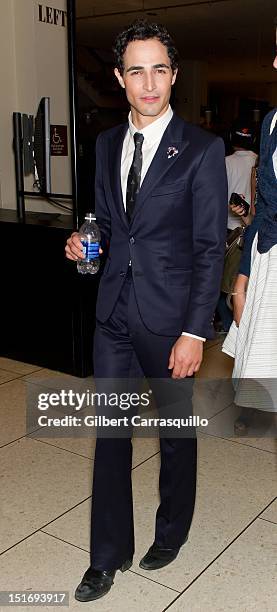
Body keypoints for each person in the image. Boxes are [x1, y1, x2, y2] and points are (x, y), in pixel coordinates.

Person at [65, 19, 227, 602]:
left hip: (171, 319)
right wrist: (85, 244)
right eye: (137, 70)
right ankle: (106, 554)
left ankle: (172, 530)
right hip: (113, 313)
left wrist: (194, 331)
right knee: (111, 435)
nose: (149, 81)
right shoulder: (107, 144)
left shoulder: (202, 150)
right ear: (119, 78)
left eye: (160, 69)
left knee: (174, 434)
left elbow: (210, 248)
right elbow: (108, 226)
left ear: (174, 76)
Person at [222, 34, 277, 434]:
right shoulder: (272, 121)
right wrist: (242, 280)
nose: (274, 63)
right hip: (266, 256)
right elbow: (265, 208)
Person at [215, 121, 257, 333]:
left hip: (230, 233)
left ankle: (233, 329)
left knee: (225, 287)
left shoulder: (224, 163)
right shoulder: (259, 163)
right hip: (254, 233)